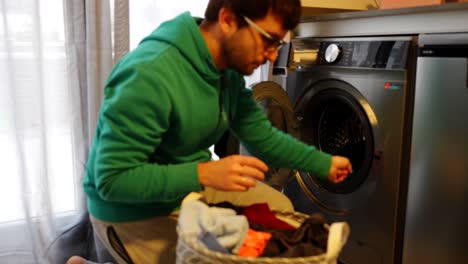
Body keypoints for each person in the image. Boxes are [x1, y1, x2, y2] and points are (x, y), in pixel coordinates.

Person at [82, 0, 353, 263]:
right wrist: (203, 173)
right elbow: (112, 181)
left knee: (280, 212)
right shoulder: (149, 75)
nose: (272, 54)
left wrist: (323, 162)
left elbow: (264, 138)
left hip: (190, 187)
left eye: (277, 44)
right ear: (228, 20)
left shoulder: (227, 73)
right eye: (268, 40)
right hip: (130, 210)